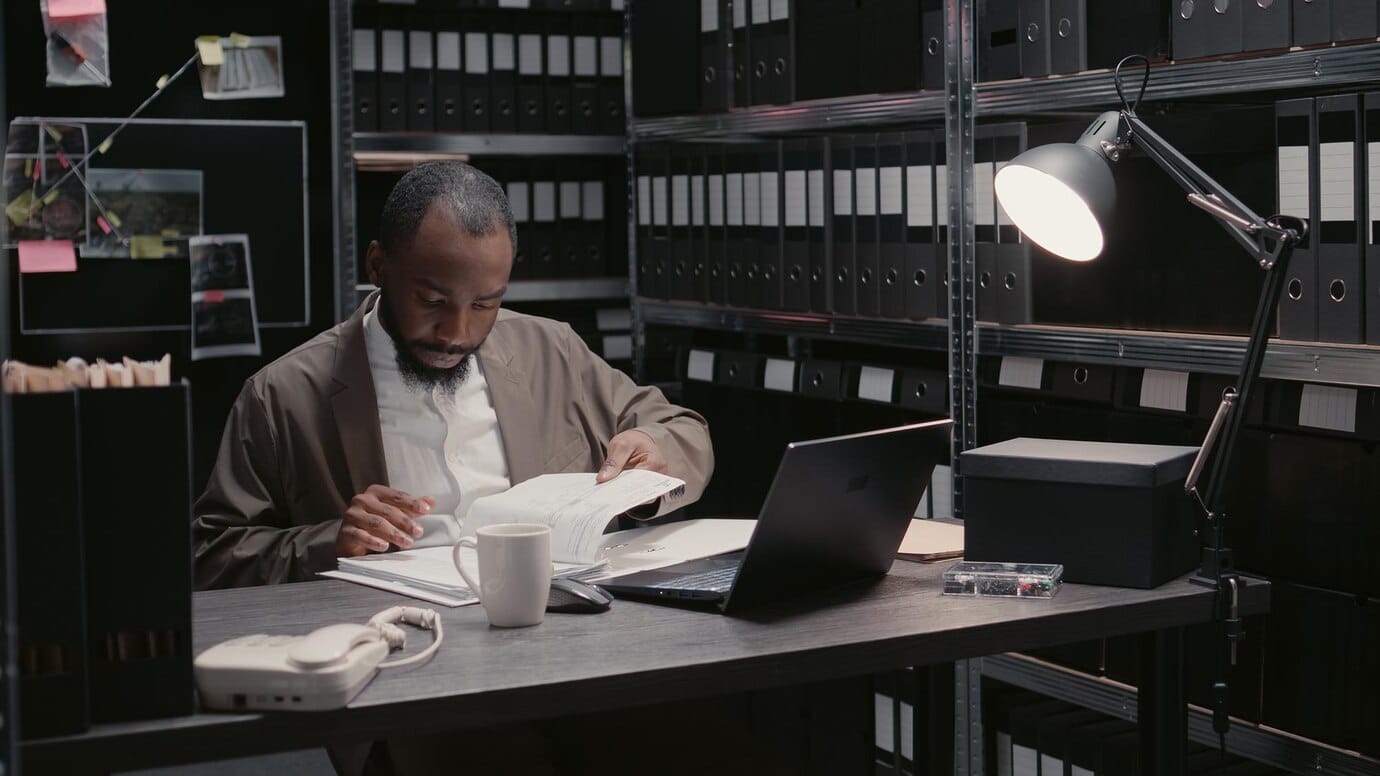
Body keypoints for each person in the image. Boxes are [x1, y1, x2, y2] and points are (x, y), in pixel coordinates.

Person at [193, 161, 714, 589]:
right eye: (432, 301)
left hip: (555, 631)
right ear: (377, 266)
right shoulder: (280, 396)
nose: (456, 334)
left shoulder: (550, 350)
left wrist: (651, 448)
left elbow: (683, 429)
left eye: (485, 304)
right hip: (390, 648)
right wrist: (330, 543)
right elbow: (210, 556)